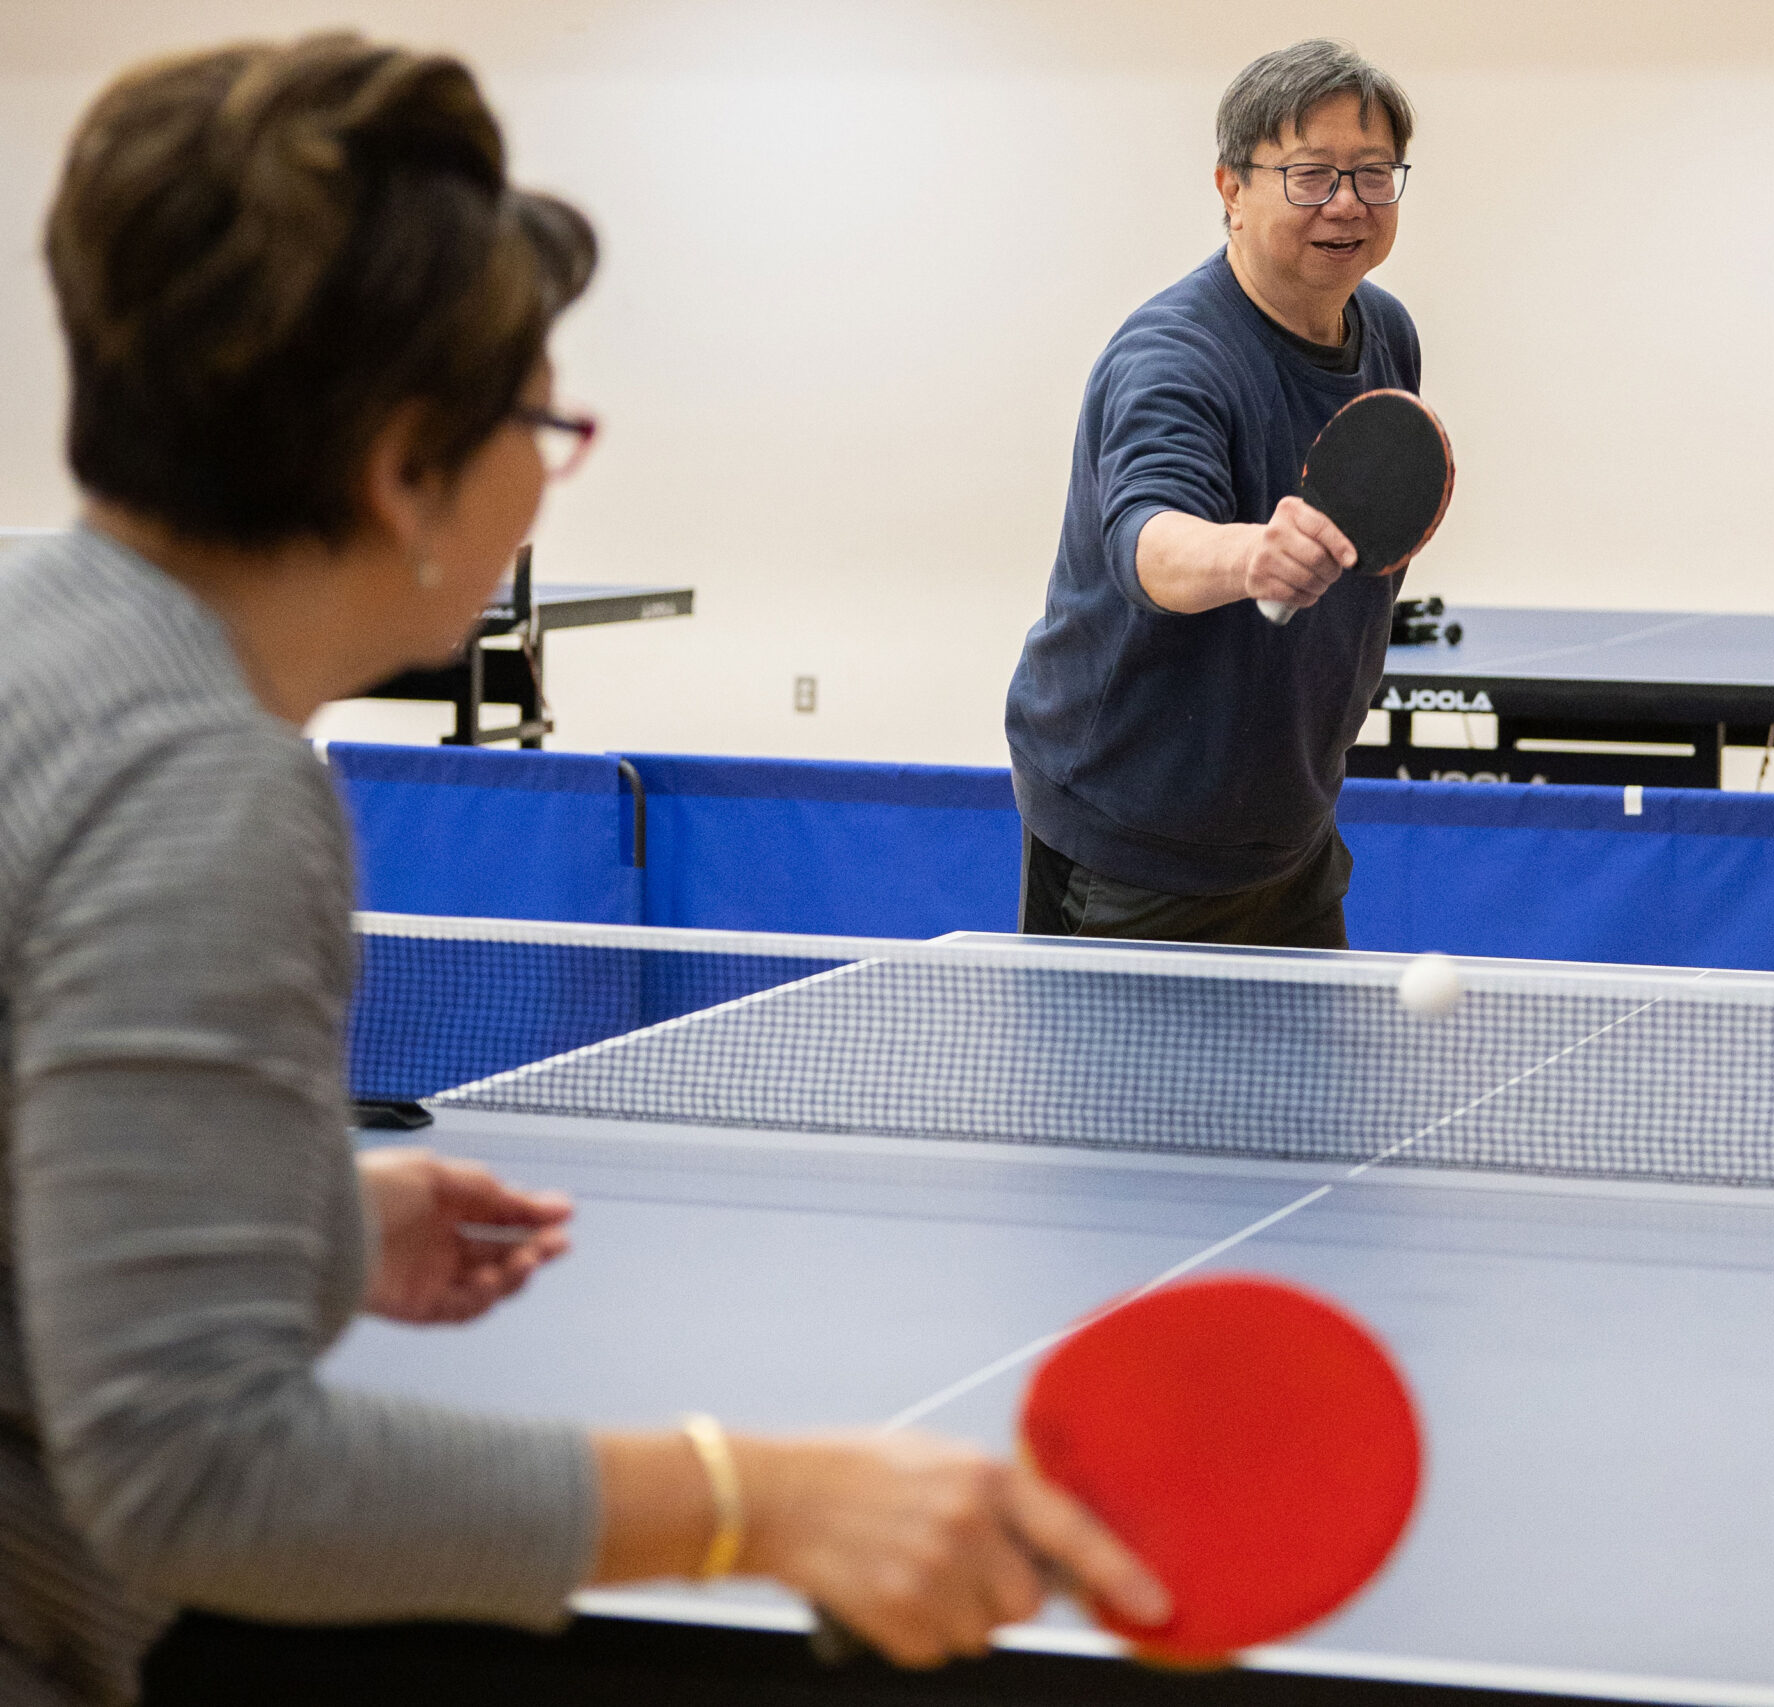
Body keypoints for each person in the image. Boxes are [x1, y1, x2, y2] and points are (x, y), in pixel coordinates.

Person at [1, 35, 1163, 1705]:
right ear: (405, 472)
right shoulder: (203, 786)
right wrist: (757, 1498)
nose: (547, 468)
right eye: (538, 420)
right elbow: (201, 1472)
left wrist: (306, 1221)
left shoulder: (38, 640)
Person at [1005, 39, 1424, 949]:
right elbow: (1149, 539)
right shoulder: (1175, 360)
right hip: (1134, 839)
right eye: (1311, 175)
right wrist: (1251, 554)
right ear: (1232, 189)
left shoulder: (1384, 331)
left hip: (1288, 830)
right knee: (1128, 1101)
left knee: (1309, 1096)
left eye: (1372, 173)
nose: (1346, 203)